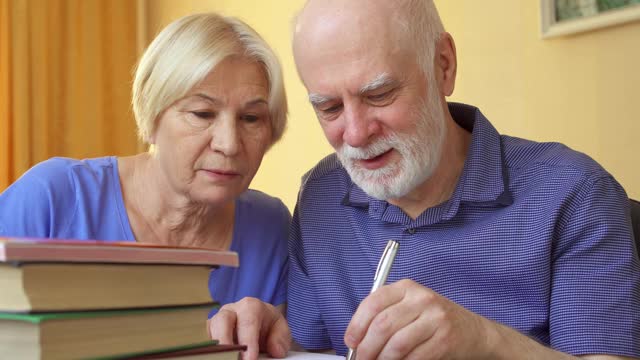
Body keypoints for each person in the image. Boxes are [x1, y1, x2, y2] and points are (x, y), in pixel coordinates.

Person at [208, 0, 640, 359]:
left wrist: (484, 341)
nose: (356, 135)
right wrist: (270, 334)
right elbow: (312, 349)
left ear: (444, 66)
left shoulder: (573, 192)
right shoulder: (321, 194)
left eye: (379, 95)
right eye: (329, 108)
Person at [0, 12, 291, 334]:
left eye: (251, 118)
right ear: (151, 119)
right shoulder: (53, 197)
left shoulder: (272, 227)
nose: (229, 144)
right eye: (202, 113)